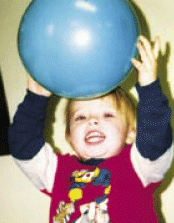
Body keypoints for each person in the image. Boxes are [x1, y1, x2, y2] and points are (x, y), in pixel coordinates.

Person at [8, 36, 173, 223]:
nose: (93, 121)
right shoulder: (58, 171)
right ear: (70, 137)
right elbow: (23, 147)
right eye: (81, 117)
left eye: (107, 115)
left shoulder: (139, 165)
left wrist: (150, 89)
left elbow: (156, 139)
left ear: (131, 133)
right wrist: (34, 100)